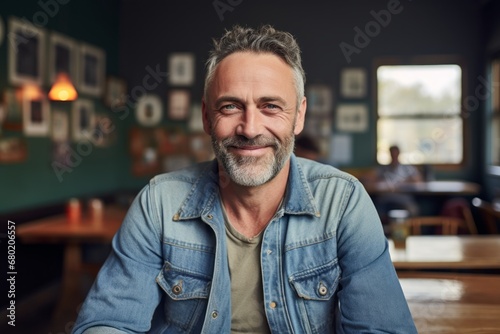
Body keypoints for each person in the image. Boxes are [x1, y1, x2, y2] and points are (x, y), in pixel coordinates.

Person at [73, 25, 416, 334]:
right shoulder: (159, 202)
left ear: (299, 116)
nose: (250, 129)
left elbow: (382, 328)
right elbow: (108, 323)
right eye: (230, 107)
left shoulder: (344, 202)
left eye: (270, 107)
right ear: (207, 117)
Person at [366, 145, 423, 225]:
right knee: (374, 211)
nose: (394, 155)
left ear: (399, 154)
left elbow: (418, 181)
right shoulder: (383, 169)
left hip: (403, 197)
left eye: (396, 153)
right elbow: (369, 179)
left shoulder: (407, 168)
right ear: (389, 154)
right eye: (392, 153)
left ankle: (411, 232)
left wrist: (403, 183)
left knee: (413, 209)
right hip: (386, 198)